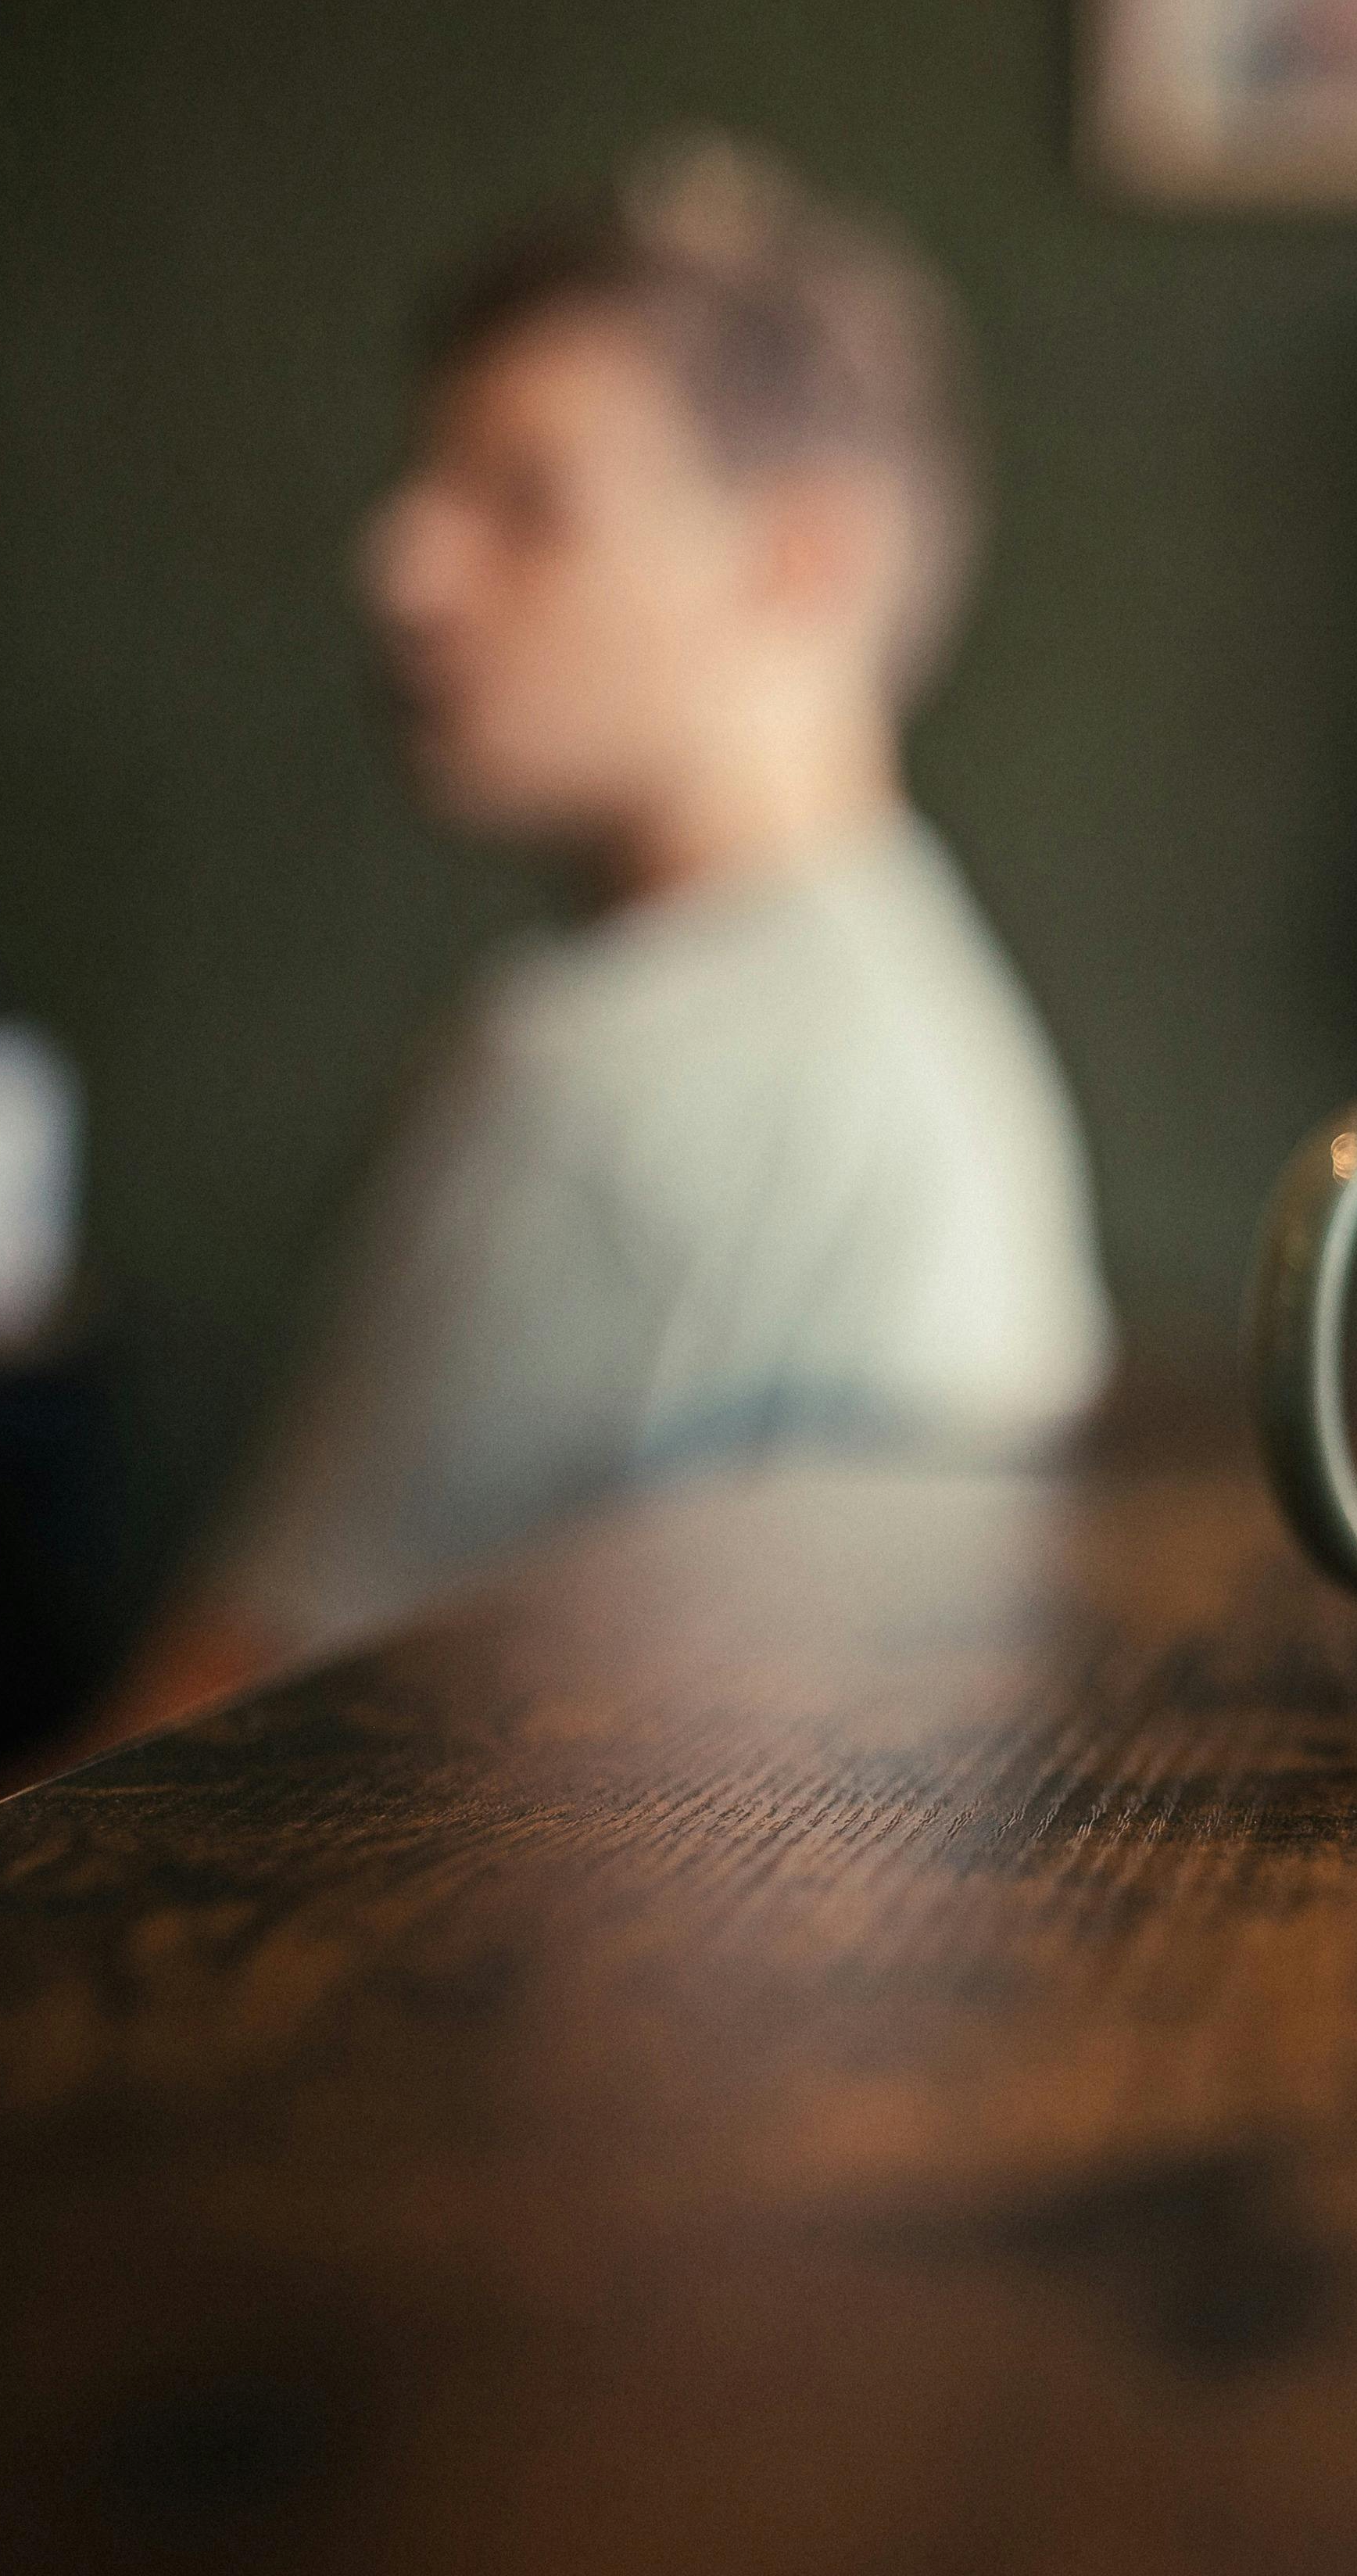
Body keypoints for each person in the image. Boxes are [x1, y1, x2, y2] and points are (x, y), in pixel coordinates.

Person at [106, 139, 1112, 1731]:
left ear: (804, 558)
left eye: (526, 501)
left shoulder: (617, 1073)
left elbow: (216, 1734)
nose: (404, 568)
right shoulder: (930, 1014)